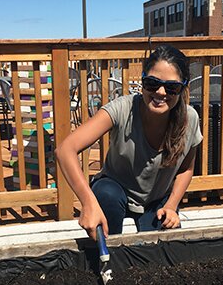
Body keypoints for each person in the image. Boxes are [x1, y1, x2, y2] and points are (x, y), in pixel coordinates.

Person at [56, 45, 203, 240]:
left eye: (171, 87)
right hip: (115, 193)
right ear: (142, 81)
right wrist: (88, 202)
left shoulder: (190, 119)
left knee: (159, 256)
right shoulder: (122, 108)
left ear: (183, 88)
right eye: (152, 83)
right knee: (106, 195)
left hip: (157, 201)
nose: (160, 92)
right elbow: (66, 149)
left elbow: (186, 169)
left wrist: (171, 205)